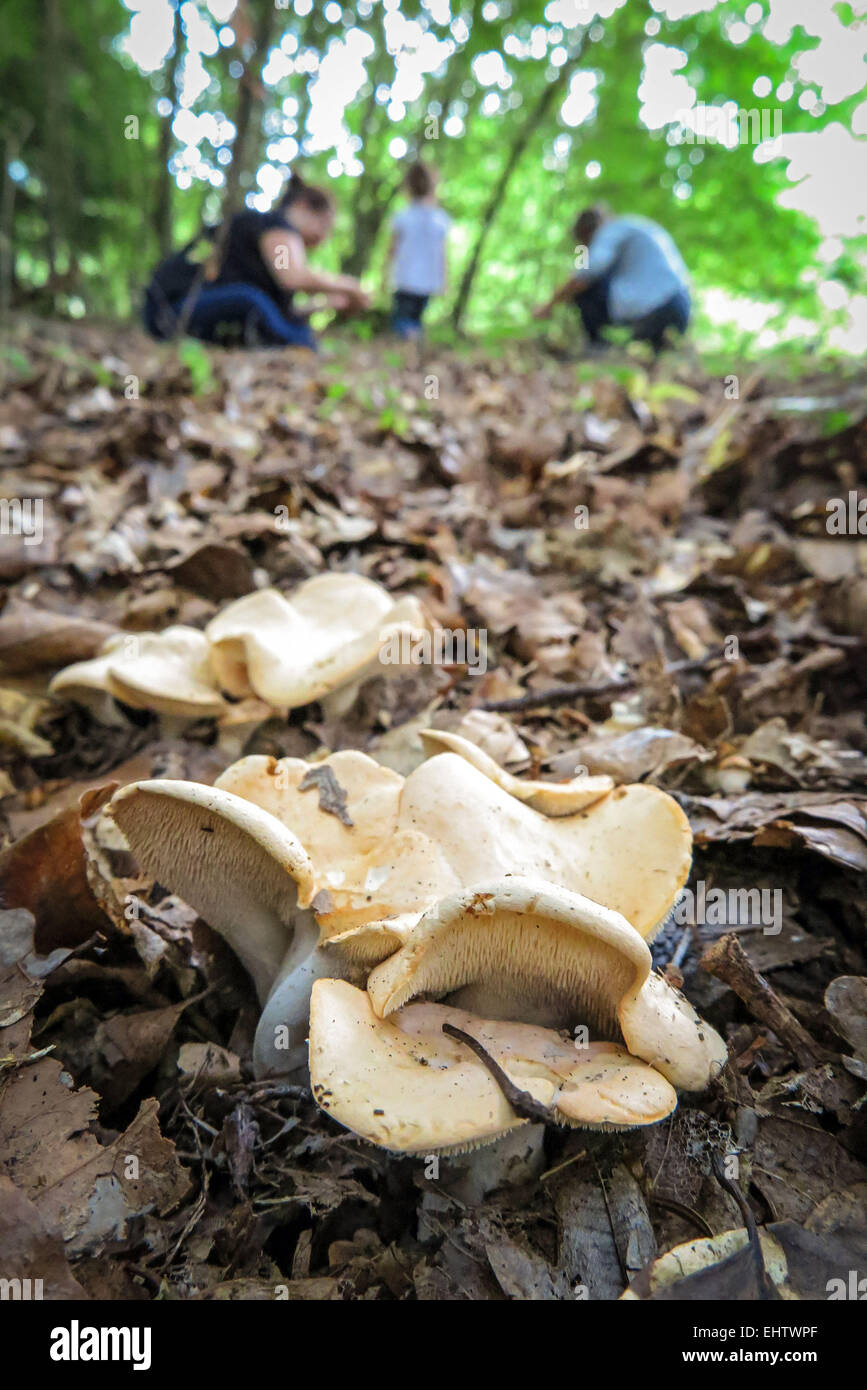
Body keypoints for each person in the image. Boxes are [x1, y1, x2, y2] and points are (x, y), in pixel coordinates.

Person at [143, 172, 369, 350]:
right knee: (252, 301)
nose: (323, 238)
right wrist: (351, 287)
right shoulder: (277, 226)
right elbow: (290, 275)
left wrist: (328, 304)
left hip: (180, 314)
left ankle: (299, 342)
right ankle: (300, 344)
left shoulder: (265, 241)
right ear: (301, 207)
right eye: (324, 225)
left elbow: (282, 310)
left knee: (264, 308)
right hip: (172, 310)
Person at [534, 206, 691, 354]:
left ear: (588, 232)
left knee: (584, 289)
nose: (587, 248)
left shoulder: (609, 230)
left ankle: (597, 347)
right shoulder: (634, 226)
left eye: (585, 243)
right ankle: (658, 344)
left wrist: (550, 305)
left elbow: (586, 273)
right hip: (680, 305)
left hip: (656, 307)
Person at [386, 161, 450, 339]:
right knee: (414, 320)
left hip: (405, 280)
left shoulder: (403, 216)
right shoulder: (440, 218)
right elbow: (443, 254)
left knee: (403, 321)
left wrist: (385, 275)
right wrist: (445, 281)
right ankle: (413, 346)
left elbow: (392, 250)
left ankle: (409, 347)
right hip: (428, 281)